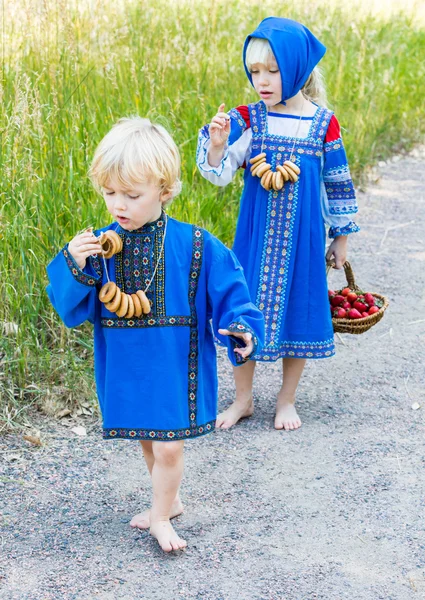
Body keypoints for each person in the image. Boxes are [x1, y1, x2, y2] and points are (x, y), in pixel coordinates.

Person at [46, 117, 264, 552]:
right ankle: (171, 499)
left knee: (168, 448)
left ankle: (161, 515)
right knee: (149, 439)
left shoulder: (196, 244)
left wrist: (241, 327)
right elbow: (69, 308)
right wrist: (72, 261)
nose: (117, 205)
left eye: (131, 194)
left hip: (173, 362)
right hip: (128, 363)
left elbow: (232, 290)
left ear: (164, 191)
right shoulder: (99, 247)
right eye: (109, 193)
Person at [196, 17, 359, 432]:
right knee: (241, 311)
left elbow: (337, 182)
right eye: (254, 72)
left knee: (300, 308)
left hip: (303, 241)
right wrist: (217, 148)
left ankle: (286, 400)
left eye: (273, 70)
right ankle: (244, 398)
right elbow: (219, 172)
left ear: (298, 68)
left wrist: (341, 235)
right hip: (253, 238)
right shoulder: (248, 119)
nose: (262, 81)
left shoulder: (323, 123)